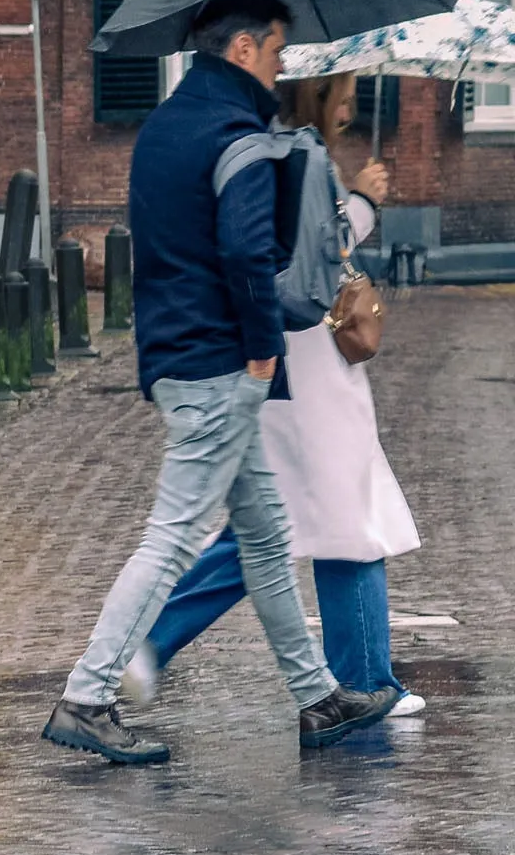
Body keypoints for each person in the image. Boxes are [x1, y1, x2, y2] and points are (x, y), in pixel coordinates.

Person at [42, 0, 398, 766]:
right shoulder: (235, 136)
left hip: (180, 350)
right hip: (219, 364)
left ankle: (318, 700)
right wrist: (264, 352)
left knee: (265, 537)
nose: (279, 68)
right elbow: (245, 254)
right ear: (242, 49)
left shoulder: (168, 125)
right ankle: (88, 694)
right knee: (172, 539)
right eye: (274, 52)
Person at [121, 74, 423, 716]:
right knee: (332, 516)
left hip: (295, 365)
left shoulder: (270, 144)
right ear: (313, 92)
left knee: (290, 520)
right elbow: (310, 253)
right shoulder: (292, 151)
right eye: (342, 94)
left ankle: (362, 675)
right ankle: (363, 680)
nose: (350, 106)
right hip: (308, 361)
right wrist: (362, 203)